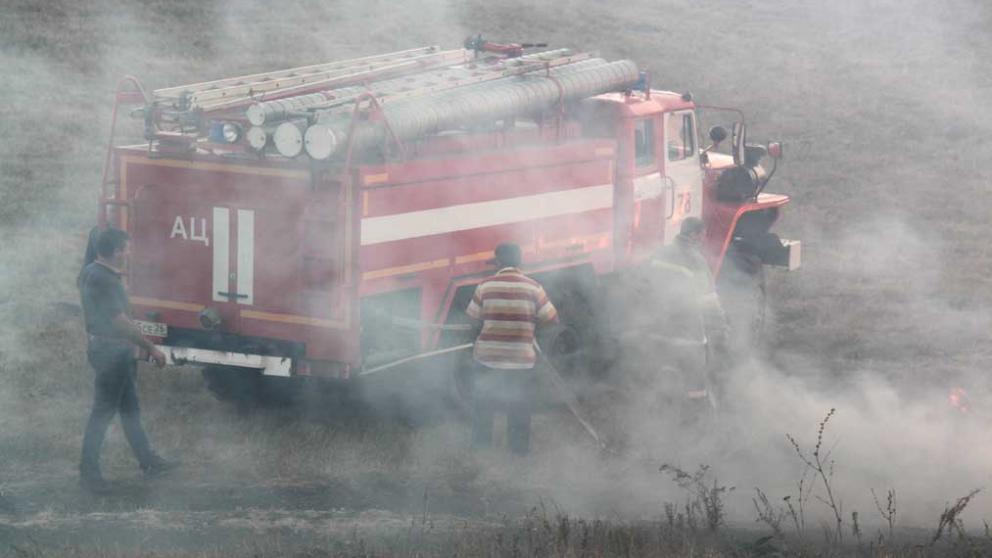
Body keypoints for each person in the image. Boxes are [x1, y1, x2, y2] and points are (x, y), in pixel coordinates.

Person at [77, 228, 179, 493]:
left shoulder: (91, 271)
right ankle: (89, 475)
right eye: (126, 247)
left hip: (107, 349)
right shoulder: (105, 279)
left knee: (130, 409)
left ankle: (149, 463)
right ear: (116, 251)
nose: (129, 252)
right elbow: (118, 321)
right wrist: (150, 347)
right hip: (112, 351)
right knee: (102, 412)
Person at [465, 243, 558, 455]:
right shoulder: (534, 287)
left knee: (484, 403)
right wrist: (531, 323)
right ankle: (518, 451)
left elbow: (471, 318)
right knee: (520, 404)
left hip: (488, 358)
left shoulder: (484, 286)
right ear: (520, 261)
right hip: (521, 359)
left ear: (498, 262)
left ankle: (481, 447)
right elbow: (553, 318)